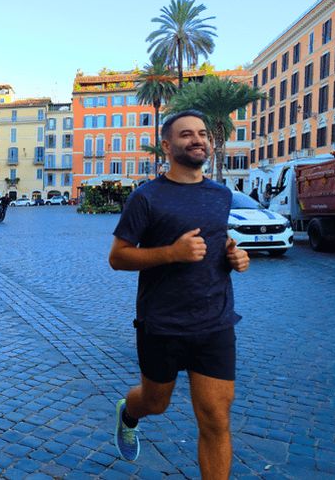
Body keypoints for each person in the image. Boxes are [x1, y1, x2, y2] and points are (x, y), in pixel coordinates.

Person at [108, 110, 250, 479]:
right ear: (168, 146)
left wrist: (234, 255)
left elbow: (216, 242)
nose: (198, 139)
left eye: (203, 133)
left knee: (216, 419)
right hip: (162, 323)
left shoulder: (222, 195)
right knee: (155, 401)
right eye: (187, 134)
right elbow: (118, 257)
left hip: (215, 322)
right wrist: (171, 253)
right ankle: (129, 412)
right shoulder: (146, 197)